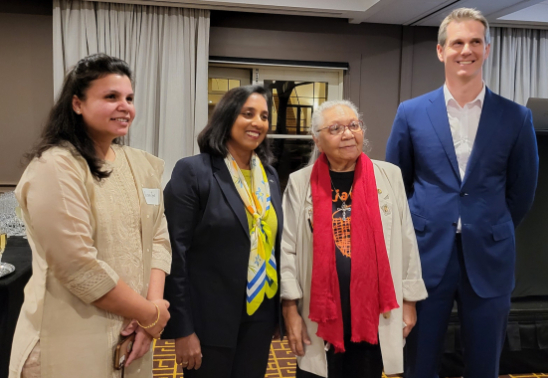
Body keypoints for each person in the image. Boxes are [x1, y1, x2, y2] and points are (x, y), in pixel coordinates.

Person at [386, 8, 539, 378]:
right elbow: (395, 185)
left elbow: (523, 190)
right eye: (457, 42)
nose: (465, 50)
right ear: (441, 51)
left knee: (485, 366)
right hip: (425, 258)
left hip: (489, 255)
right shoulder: (411, 113)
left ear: (487, 49)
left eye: (474, 42)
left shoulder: (516, 117)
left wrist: (488, 223)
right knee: (419, 365)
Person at [9, 54, 171, 378]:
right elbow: (78, 266)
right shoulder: (56, 166)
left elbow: (158, 237)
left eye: (129, 98)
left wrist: (150, 313)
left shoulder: (140, 165)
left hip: (133, 335)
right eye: (110, 96)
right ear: (77, 104)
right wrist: (151, 315)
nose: (124, 106)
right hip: (69, 339)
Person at [281, 99, 427, 378]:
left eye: (354, 125)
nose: (348, 134)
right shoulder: (301, 183)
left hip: (372, 316)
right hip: (319, 316)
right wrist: (290, 310)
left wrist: (410, 303)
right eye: (335, 128)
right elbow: (287, 251)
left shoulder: (389, 176)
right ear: (317, 140)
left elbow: (407, 242)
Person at [162, 85, 283, 378]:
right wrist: (183, 329)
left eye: (264, 116)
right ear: (227, 117)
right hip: (209, 321)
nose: (258, 122)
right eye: (248, 113)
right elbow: (174, 254)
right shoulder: (194, 171)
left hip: (260, 314)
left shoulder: (269, 175)